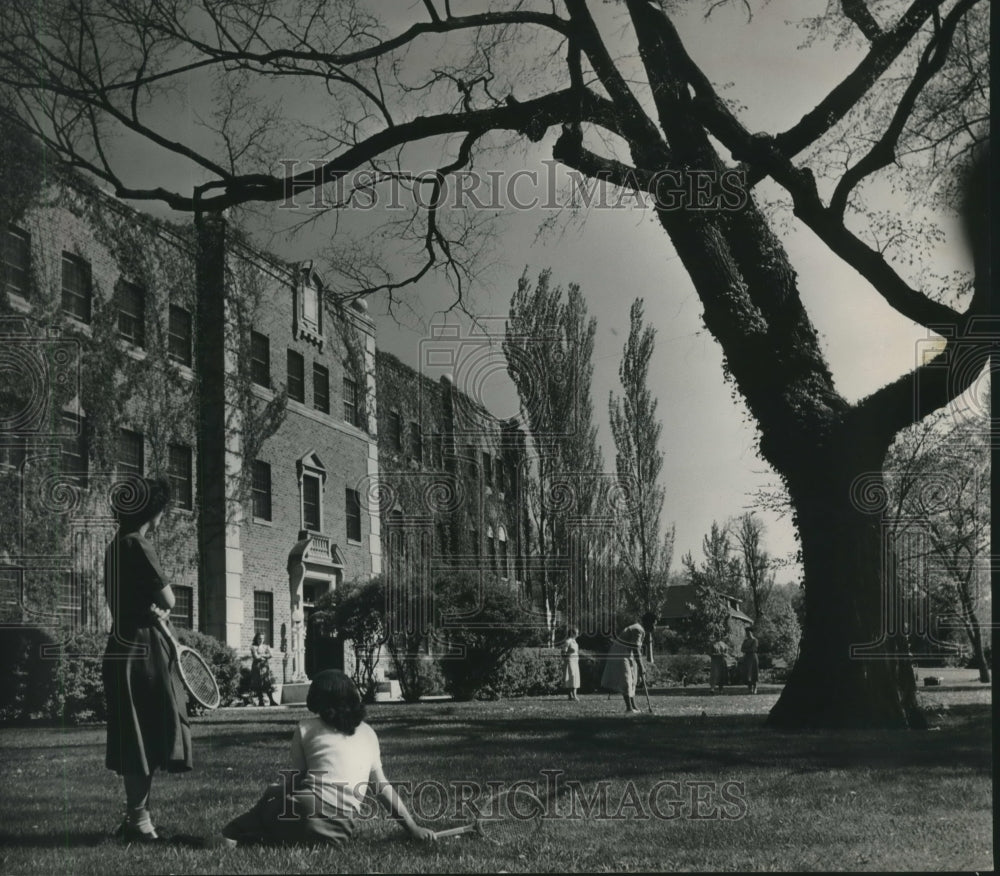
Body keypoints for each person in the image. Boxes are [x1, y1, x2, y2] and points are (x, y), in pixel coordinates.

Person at [219, 669, 436, 846]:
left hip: (303, 809)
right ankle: (254, 839)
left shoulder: (306, 727)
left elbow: (296, 780)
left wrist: (271, 793)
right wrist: (413, 828)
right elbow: (383, 788)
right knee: (278, 833)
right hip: (339, 830)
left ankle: (231, 834)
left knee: (266, 809)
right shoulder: (368, 732)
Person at [102, 478, 192, 843]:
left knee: (136, 733)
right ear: (151, 512)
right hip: (142, 649)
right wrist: (159, 605)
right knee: (147, 732)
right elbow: (169, 600)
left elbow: (140, 597)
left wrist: (149, 604)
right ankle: (138, 821)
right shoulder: (139, 545)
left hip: (121, 646)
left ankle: (137, 818)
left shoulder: (114, 547)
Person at [600, 613, 656, 714]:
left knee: (633, 679)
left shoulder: (640, 629)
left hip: (627, 653)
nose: (654, 627)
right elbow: (636, 649)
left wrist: (638, 666)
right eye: (654, 624)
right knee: (626, 679)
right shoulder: (638, 629)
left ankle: (634, 705)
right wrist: (641, 666)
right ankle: (629, 708)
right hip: (620, 654)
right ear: (648, 623)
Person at [250, 632, 279, 706]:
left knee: (267, 683)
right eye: (259, 638)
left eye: (262, 638)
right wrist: (265, 656)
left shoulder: (266, 646)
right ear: (256, 638)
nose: (261, 640)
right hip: (257, 667)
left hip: (264, 667)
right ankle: (261, 701)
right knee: (258, 684)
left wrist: (262, 655)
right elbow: (256, 657)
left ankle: (272, 701)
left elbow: (271, 655)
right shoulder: (253, 647)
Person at [562, 627, 581, 701]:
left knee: (575, 678)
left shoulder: (575, 642)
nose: (578, 634)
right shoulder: (568, 641)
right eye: (576, 633)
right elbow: (563, 652)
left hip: (575, 662)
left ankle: (575, 695)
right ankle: (571, 695)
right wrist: (566, 659)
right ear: (572, 633)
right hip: (570, 661)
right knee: (570, 677)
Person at [742, 628, 759, 694]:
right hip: (747, 658)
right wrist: (747, 650)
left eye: (749, 632)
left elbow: (753, 649)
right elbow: (742, 649)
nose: (748, 634)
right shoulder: (745, 641)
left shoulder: (755, 640)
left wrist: (746, 649)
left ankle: (755, 687)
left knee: (753, 671)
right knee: (747, 672)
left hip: (753, 657)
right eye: (747, 633)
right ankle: (750, 688)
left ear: (752, 633)